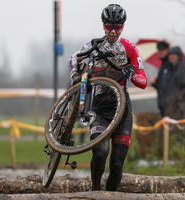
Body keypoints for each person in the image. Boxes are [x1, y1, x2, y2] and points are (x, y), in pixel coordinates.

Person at [68, 4, 147, 191]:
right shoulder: (95, 45)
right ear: (103, 25)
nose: (113, 31)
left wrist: (131, 73)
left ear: (123, 27)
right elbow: (74, 58)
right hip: (99, 107)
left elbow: (143, 81)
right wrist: (75, 76)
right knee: (101, 152)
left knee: (118, 162)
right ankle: (95, 190)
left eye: (118, 27)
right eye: (109, 26)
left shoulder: (129, 48)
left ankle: (112, 195)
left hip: (122, 109)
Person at [150, 41, 170, 117]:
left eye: (162, 49)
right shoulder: (162, 65)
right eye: (159, 49)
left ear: (168, 50)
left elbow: (168, 85)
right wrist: (154, 82)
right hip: (163, 105)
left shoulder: (170, 65)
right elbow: (161, 86)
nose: (160, 52)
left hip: (170, 105)